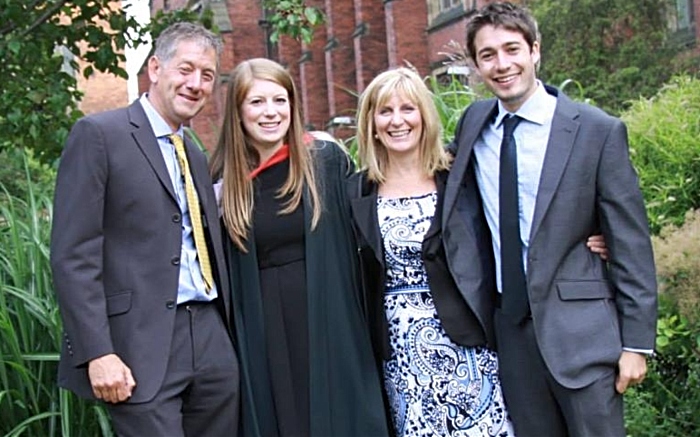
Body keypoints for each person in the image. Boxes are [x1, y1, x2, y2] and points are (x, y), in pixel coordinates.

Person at [444, 2, 658, 436]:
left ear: (535, 50)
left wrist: (637, 344)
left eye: (512, 49)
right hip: (511, 334)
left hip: (584, 339)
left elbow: (631, 242)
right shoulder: (473, 125)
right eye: (488, 55)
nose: (502, 65)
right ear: (476, 65)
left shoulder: (596, 131)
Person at [50, 22, 239, 436]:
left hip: (210, 337)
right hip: (138, 344)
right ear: (155, 68)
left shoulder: (193, 150)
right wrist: (98, 351)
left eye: (207, 75)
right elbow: (73, 255)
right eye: (185, 69)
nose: (196, 84)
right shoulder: (100, 135)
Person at [210, 58, 389, 437]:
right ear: (237, 112)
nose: (270, 112)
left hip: (326, 317)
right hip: (261, 329)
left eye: (279, 100)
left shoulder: (324, 161)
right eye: (256, 102)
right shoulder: (222, 182)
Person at [350, 67, 515, 436]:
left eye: (408, 109)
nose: (397, 121)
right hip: (401, 352)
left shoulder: (459, 177)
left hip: (468, 341)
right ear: (371, 123)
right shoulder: (356, 192)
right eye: (385, 111)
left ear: (424, 116)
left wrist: (590, 235)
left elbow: (520, 216)